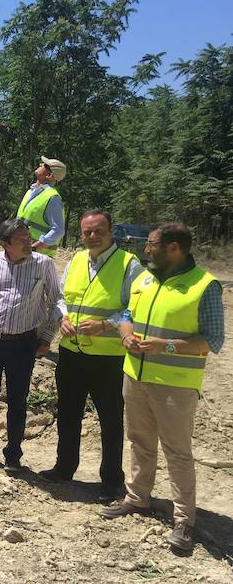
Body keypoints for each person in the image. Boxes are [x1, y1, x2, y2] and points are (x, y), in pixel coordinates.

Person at [99, 222, 224, 554]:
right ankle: (137, 498)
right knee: (139, 442)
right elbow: (127, 312)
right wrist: (126, 334)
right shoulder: (145, 278)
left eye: (152, 245)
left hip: (175, 386)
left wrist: (165, 346)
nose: (146, 250)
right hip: (135, 376)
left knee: (177, 452)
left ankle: (184, 520)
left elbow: (213, 340)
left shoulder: (205, 286)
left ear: (174, 248)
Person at [39, 209, 144, 502]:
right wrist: (62, 318)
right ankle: (64, 467)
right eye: (87, 232)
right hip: (71, 352)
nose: (92, 236)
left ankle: (111, 481)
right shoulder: (75, 260)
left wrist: (106, 324)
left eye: (98, 231)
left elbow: (135, 307)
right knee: (68, 413)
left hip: (108, 358)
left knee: (110, 419)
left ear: (111, 232)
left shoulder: (128, 264)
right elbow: (62, 298)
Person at [0, 218, 59, 472]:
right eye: (22, 239)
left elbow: (56, 302)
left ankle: (13, 456)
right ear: (5, 243)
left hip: (23, 343)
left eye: (28, 237)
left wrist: (47, 336)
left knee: (18, 400)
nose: (29, 242)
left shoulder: (44, 264)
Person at [16, 156, 66, 257]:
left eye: (45, 165)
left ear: (49, 175)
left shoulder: (53, 198)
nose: (40, 164)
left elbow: (58, 230)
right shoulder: (31, 191)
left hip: (38, 257)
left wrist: (35, 248)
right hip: (20, 252)